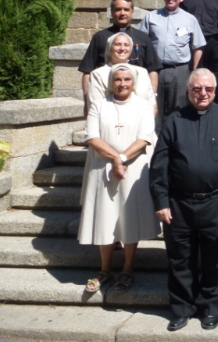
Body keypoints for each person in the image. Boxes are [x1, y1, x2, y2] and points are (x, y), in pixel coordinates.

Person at [150, 69, 218, 332]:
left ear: (215, 91)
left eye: (208, 89)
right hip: (179, 203)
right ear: (188, 91)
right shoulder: (173, 120)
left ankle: (211, 308)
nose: (203, 93)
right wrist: (161, 201)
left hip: (217, 202)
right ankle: (182, 308)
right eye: (197, 89)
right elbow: (160, 165)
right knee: (180, 258)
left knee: (217, 260)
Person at [79, 64, 160, 295]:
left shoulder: (143, 106)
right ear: (110, 82)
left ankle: (127, 268)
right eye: (117, 79)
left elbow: (144, 138)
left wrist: (122, 158)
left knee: (129, 216)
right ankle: (104, 270)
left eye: (126, 79)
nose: (122, 83)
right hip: (103, 167)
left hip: (133, 169)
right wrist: (116, 158)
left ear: (133, 82)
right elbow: (92, 137)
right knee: (105, 217)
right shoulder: (99, 104)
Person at [139, 0, 206, 132]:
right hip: (155, 72)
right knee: (153, 107)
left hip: (180, 71)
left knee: (179, 109)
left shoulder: (190, 19)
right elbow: (140, 44)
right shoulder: (151, 17)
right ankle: (153, 143)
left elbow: (198, 47)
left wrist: (194, 72)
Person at [78, 0, 161, 114]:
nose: (122, 13)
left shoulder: (143, 37)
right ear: (112, 12)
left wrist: (153, 96)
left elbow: (152, 69)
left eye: (126, 10)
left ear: (132, 12)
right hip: (107, 94)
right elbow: (88, 70)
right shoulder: (100, 37)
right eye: (118, 9)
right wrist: (87, 100)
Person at [86, 32, 156, 113]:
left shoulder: (142, 72)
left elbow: (151, 104)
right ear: (109, 48)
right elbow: (95, 107)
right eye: (117, 44)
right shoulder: (98, 74)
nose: (122, 48)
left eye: (126, 45)